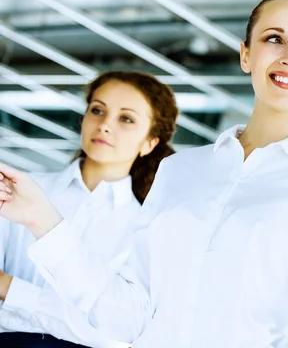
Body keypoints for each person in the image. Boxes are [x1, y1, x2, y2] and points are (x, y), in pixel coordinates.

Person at [0, 0, 288, 347]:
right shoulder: (180, 170)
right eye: (274, 38)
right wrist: (42, 218)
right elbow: (129, 317)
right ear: (246, 55)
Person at [0, 70, 178, 347]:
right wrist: (74, 313)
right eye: (97, 110)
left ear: (149, 143)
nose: (105, 124)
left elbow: (120, 330)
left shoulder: (147, 226)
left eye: (126, 118)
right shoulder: (19, 186)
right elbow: (93, 319)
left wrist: (11, 289)